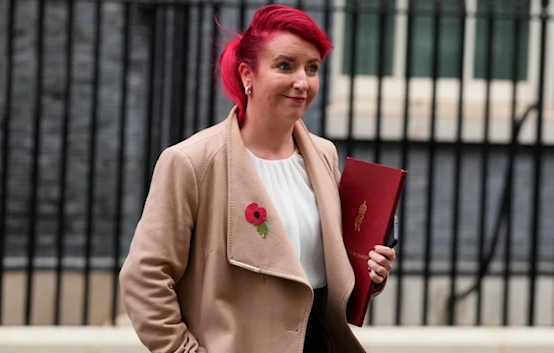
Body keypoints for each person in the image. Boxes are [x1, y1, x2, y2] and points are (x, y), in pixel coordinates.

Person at [119, 4, 396, 353]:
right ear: (247, 75)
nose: (302, 82)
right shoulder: (191, 162)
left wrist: (371, 270)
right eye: (285, 66)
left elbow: (324, 267)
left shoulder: (322, 154)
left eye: (312, 68)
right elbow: (143, 280)